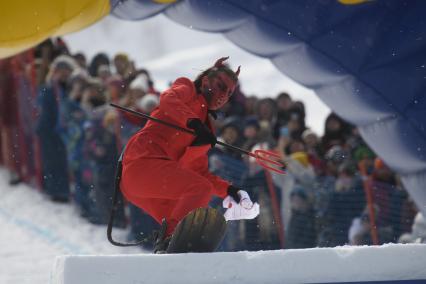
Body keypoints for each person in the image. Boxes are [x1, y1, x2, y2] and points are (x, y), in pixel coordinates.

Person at [120, 57, 259, 253]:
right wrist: (192, 122)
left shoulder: (206, 128)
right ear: (205, 82)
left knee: (186, 216)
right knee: (197, 193)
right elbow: (169, 99)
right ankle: (171, 241)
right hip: (141, 163)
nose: (223, 96)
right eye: (220, 87)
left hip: (146, 182)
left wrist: (230, 190)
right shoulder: (187, 89)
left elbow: (199, 172)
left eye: (228, 93)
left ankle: (170, 251)